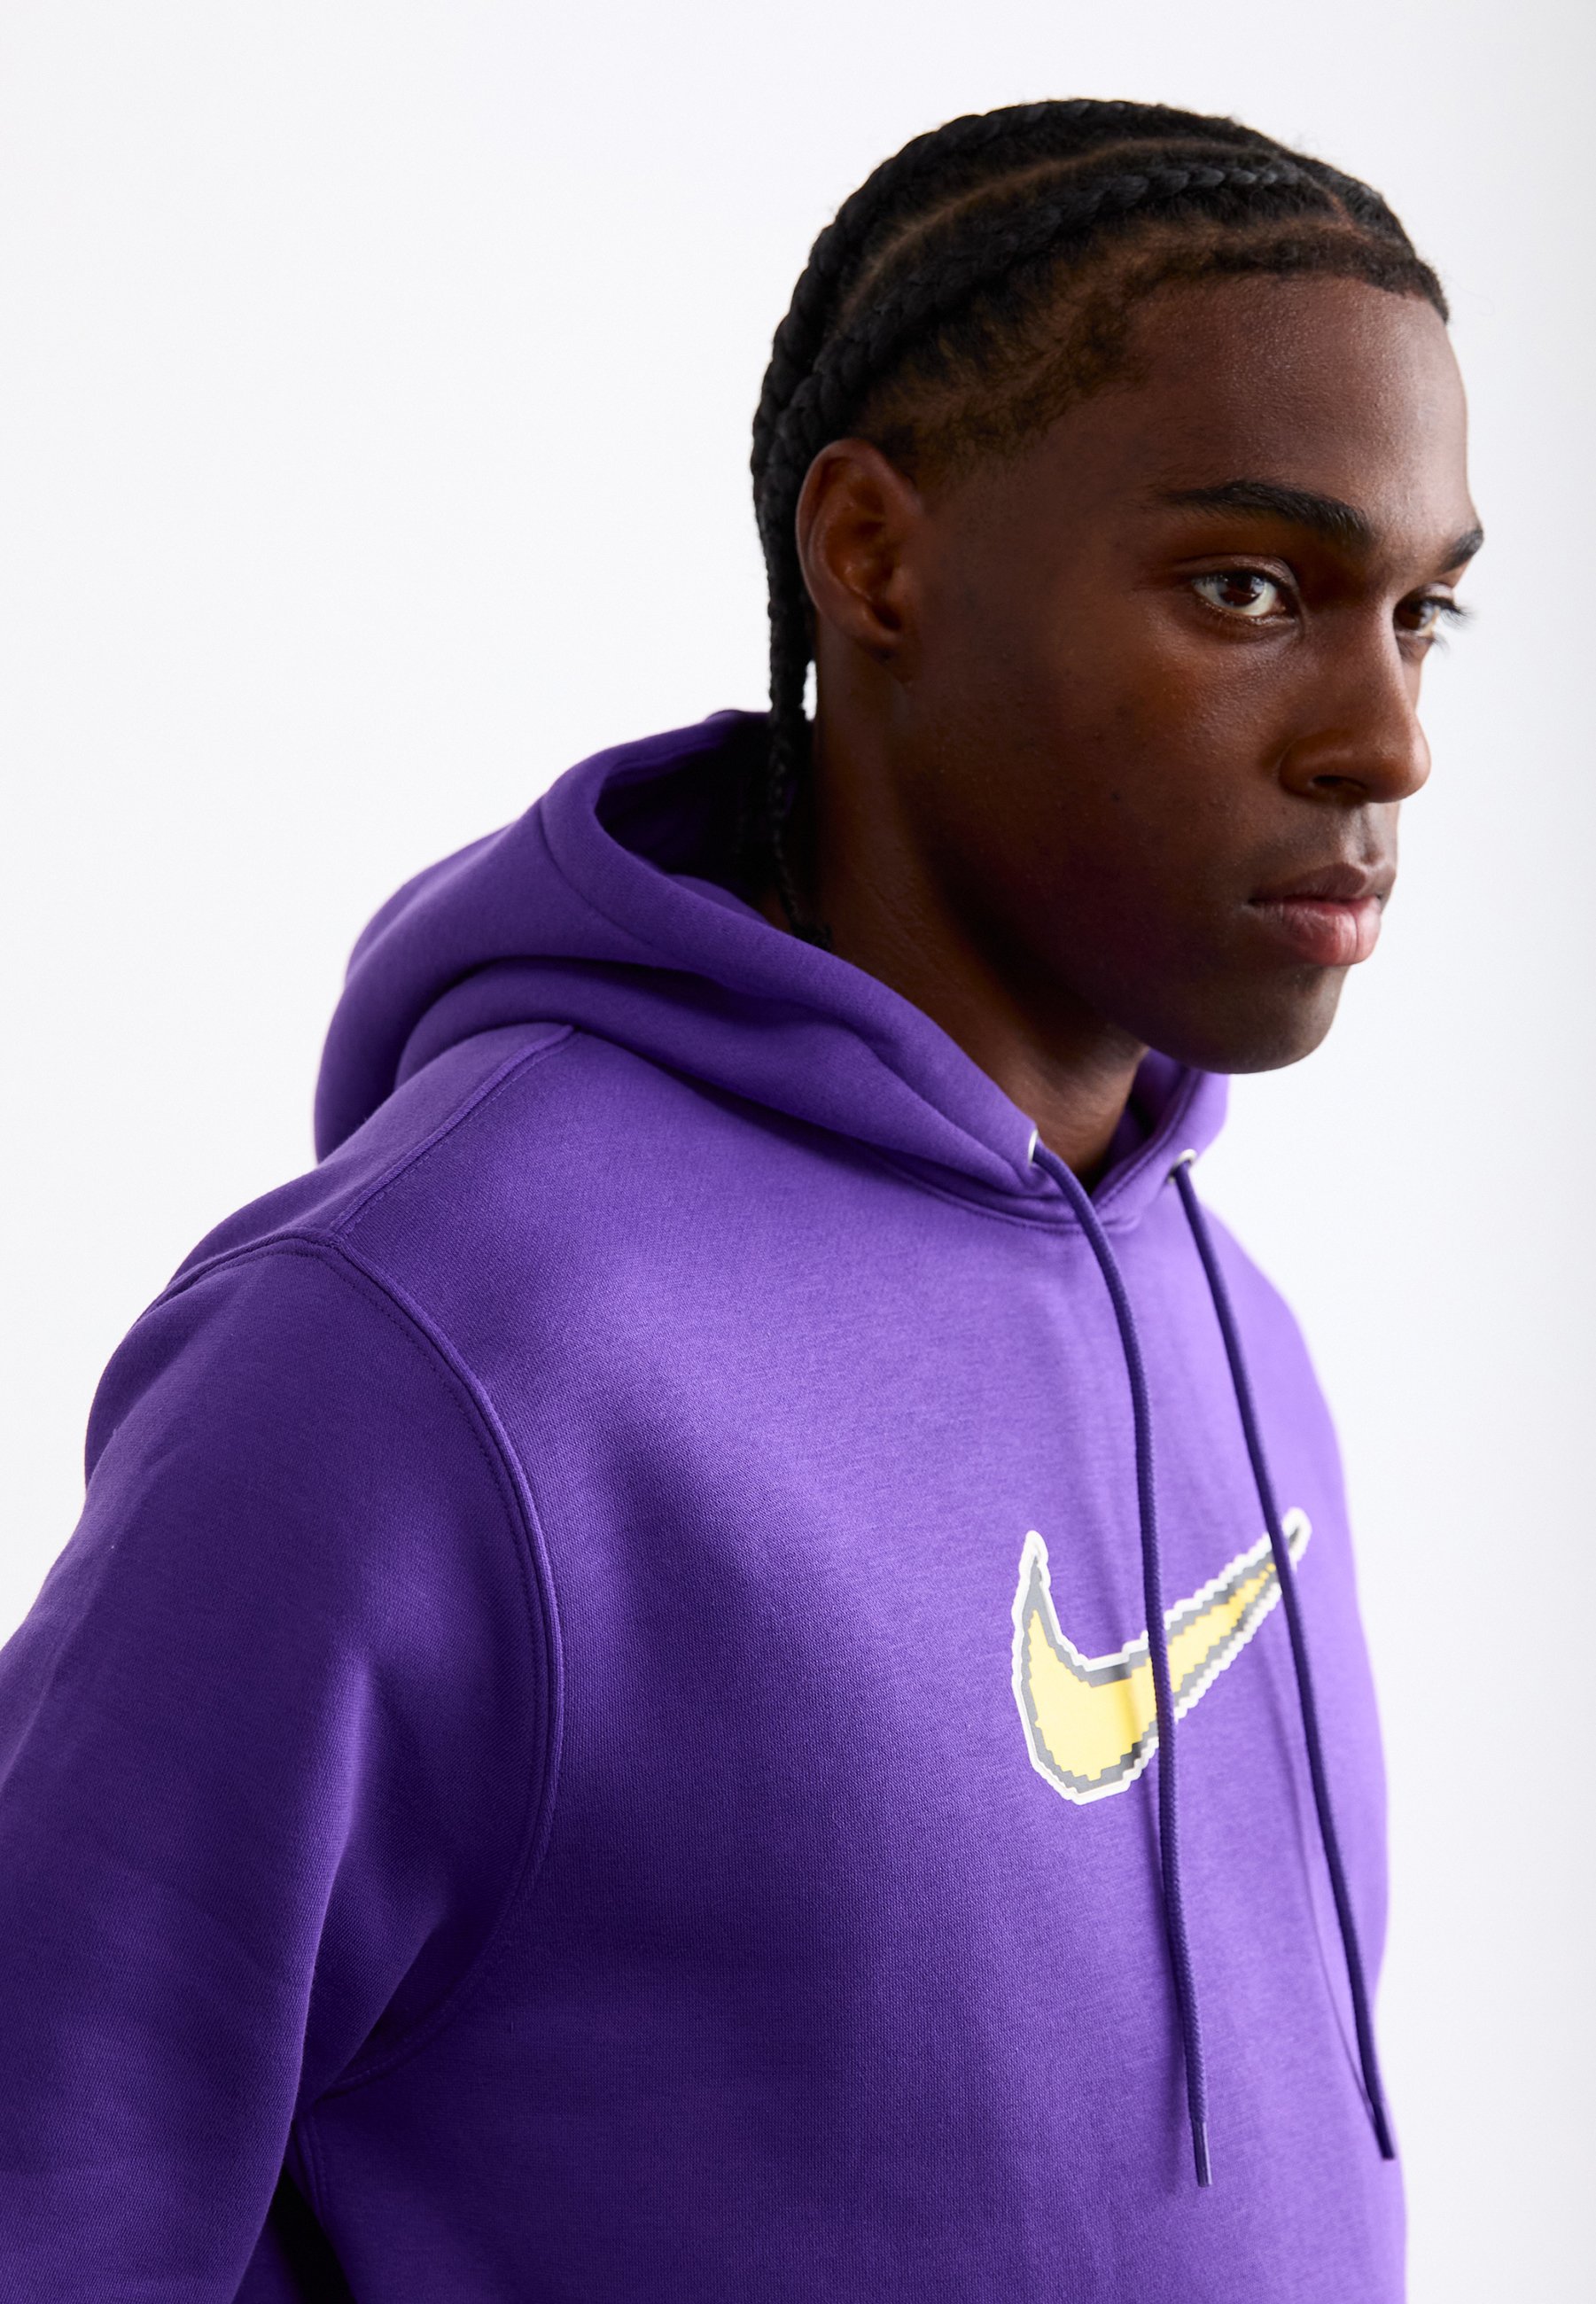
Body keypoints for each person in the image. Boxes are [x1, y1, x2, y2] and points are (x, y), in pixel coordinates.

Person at [0, 97, 1478, 2300]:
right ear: (872, 556)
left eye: (1423, 613)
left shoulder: (1221, 1312)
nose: (1387, 739)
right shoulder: (425, 1356)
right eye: (1247, 590)